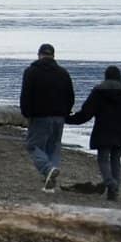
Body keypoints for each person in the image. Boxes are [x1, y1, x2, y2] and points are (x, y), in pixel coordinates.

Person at [67, 65, 121, 201]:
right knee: (116, 161)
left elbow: (86, 113)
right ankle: (114, 191)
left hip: (103, 131)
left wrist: (69, 119)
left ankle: (110, 183)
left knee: (103, 159)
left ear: (106, 76)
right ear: (119, 77)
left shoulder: (98, 91)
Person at [20, 42, 74, 192]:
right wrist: (66, 112)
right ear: (53, 56)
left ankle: (47, 169)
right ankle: (50, 179)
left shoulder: (31, 72)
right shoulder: (63, 73)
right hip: (59, 117)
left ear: (39, 55)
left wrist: (26, 113)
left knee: (34, 146)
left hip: (39, 116)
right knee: (54, 148)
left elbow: (26, 95)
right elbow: (70, 96)